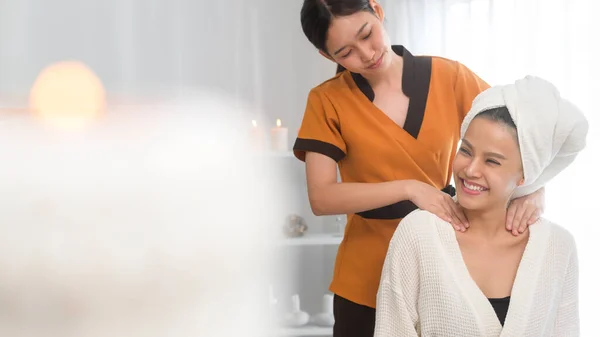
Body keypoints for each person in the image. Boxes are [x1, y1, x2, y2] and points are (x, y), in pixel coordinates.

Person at [293, 0, 545, 336]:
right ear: (329, 57)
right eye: (345, 53)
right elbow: (321, 197)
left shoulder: (450, 77)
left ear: (377, 9)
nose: (366, 54)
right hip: (366, 276)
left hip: (443, 260)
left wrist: (536, 190)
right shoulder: (326, 100)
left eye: (367, 34)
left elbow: (524, 137)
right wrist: (410, 188)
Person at [374, 75, 588, 336]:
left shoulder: (558, 246)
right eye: (465, 151)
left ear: (524, 176)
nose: (471, 169)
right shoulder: (418, 234)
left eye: (492, 161)